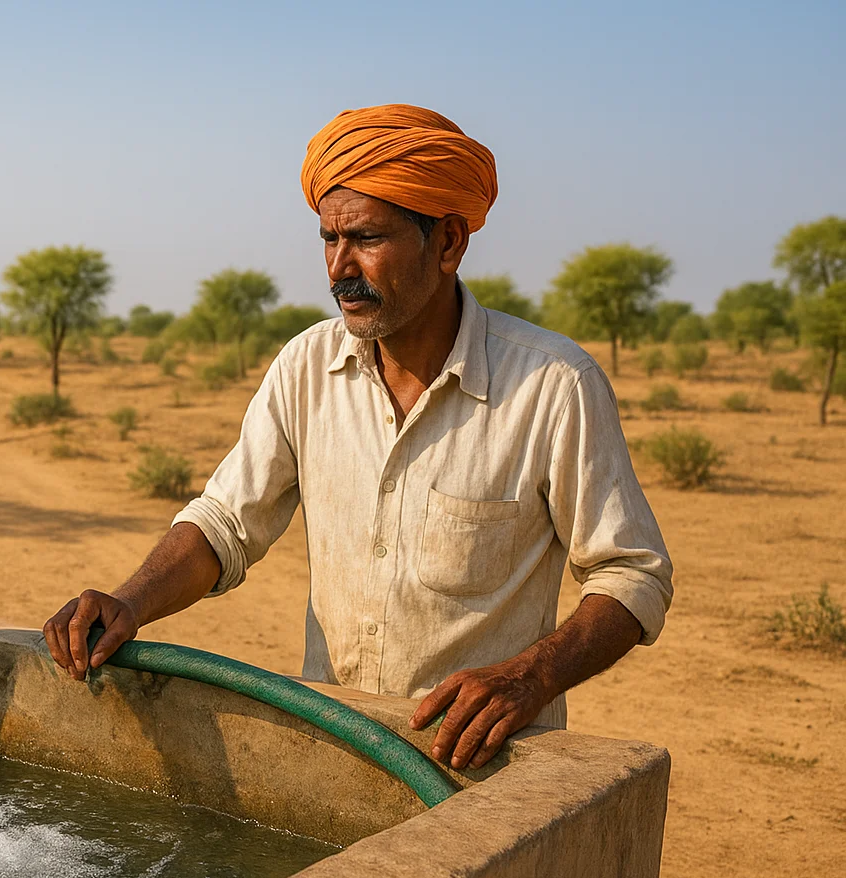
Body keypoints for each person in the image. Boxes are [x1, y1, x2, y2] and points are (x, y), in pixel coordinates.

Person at [44, 104, 672, 772]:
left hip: (481, 774)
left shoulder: (554, 384)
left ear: (449, 243)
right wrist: (130, 602)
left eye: (367, 239)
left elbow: (632, 572)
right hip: (335, 756)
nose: (339, 268)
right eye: (328, 240)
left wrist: (530, 676)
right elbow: (227, 522)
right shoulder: (305, 367)